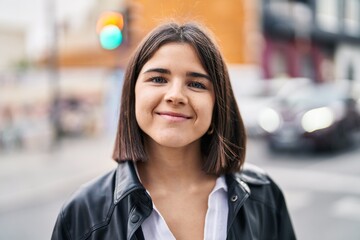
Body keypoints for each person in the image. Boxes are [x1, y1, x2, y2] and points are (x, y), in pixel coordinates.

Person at [51, 21, 296, 240]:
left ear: (217, 105)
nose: (176, 95)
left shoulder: (264, 197)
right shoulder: (82, 213)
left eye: (196, 84)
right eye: (158, 79)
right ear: (132, 95)